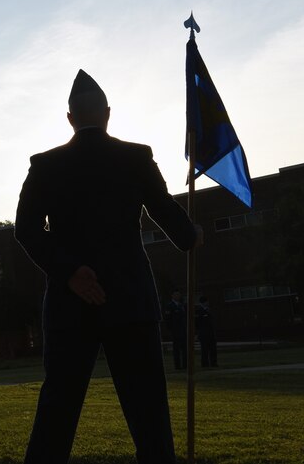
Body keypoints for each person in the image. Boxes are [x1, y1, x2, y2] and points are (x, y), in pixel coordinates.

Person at [15, 70, 201, 464]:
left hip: (69, 306)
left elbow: (25, 230)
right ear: (108, 114)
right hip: (130, 301)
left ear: (70, 118)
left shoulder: (45, 165)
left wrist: (69, 272)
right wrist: (192, 234)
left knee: (56, 416)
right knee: (149, 414)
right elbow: (167, 214)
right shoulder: (135, 157)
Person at [165, 290, 187, 370]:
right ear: (172, 296)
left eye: (179, 294)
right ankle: (177, 366)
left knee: (184, 348)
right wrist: (171, 330)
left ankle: (185, 365)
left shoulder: (181, 305)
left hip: (183, 330)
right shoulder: (169, 306)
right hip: (175, 330)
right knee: (176, 349)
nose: (178, 296)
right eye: (176, 294)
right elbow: (168, 319)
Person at [196, 295, 218, 367]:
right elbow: (197, 323)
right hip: (203, 333)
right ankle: (205, 364)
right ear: (204, 302)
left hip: (210, 332)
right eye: (207, 301)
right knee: (204, 349)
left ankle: (213, 362)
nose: (208, 303)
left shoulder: (208, 310)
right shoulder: (199, 310)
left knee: (213, 349)